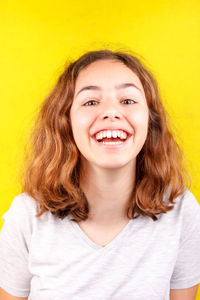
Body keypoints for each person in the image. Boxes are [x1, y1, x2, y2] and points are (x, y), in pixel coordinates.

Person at [0, 49, 200, 300]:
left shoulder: (181, 211)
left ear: (150, 120)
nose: (111, 112)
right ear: (65, 121)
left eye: (127, 100)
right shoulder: (27, 216)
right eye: (91, 102)